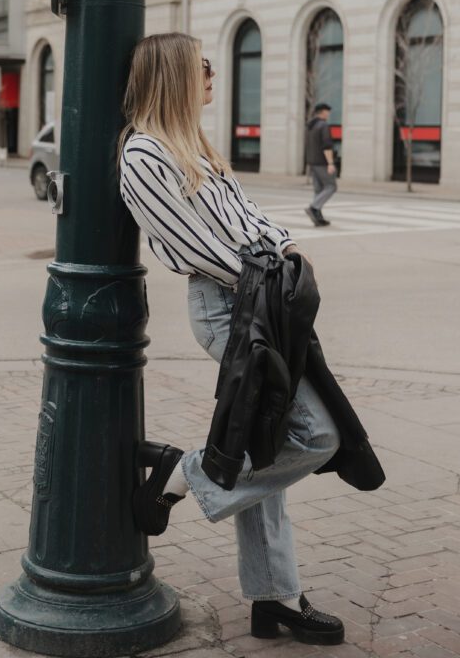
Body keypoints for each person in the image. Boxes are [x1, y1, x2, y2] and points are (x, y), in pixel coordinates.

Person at [118, 33, 345, 646]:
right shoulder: (144, 156)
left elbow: (249, 216)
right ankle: (184, 475)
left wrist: (285, 243)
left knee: (267, 443)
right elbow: (196, 248)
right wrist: (270, 266)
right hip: (231, 308)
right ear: (174, 77)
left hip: (260, 299)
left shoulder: (193, 146)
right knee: (318, 435)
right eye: (204, 68)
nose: (214, 76)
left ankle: (275, 597)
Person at [305, 103, 337, 227]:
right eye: (327, 111)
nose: (328, 114)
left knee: (318, 190)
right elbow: (326, 145)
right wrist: (330, 163)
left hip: (312, 162)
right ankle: (313, 208)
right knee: (331, 186)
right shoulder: (323, 125)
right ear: (322, 112)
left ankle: (318, 217)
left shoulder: (310, 126)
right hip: (322, 162)